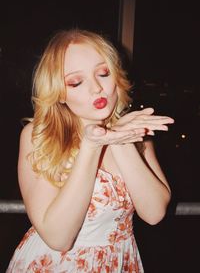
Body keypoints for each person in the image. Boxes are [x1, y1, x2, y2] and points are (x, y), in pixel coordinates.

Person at [6, 29, 174, 272]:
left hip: (120, 261)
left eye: (103, 73)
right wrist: (91, 146)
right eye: (76, 81)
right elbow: (58, 238)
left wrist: (119, 140)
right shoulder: (40, 136)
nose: (96, 88)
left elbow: (154, 212)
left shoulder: (135, 133)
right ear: (60, 93)